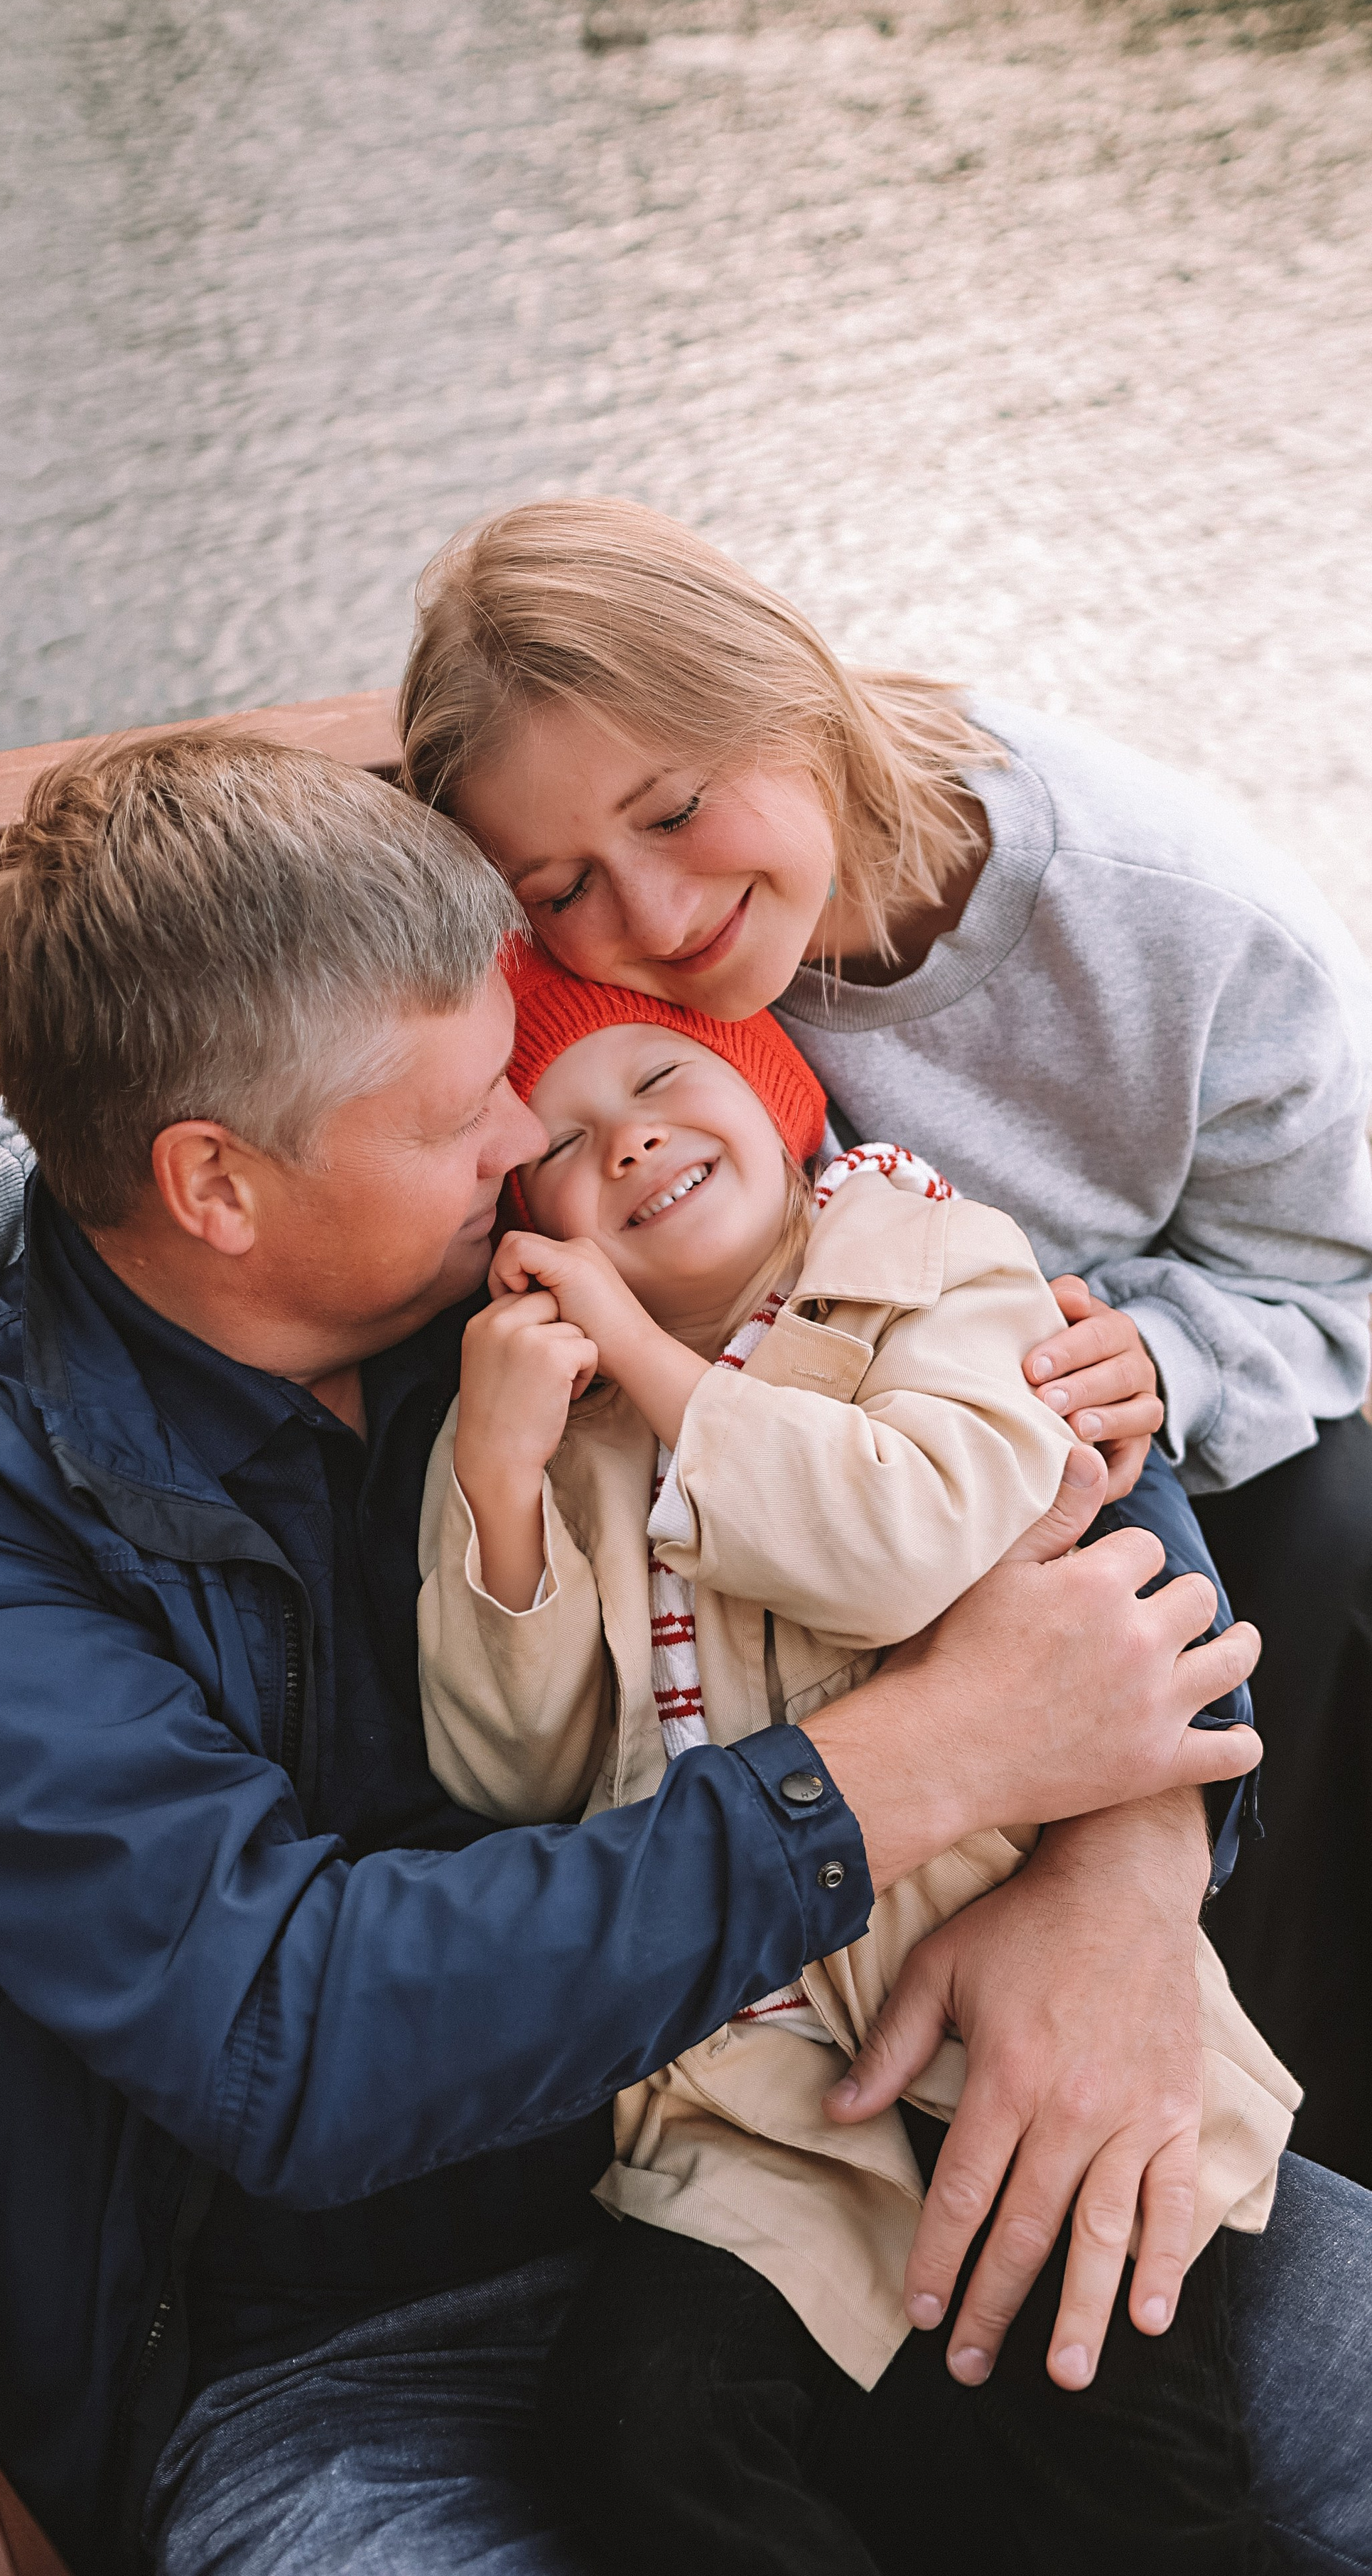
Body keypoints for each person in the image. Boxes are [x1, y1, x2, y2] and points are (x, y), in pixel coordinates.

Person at [0, 731, 1372, 2576]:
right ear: (214, 1188)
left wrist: (1120, 1877)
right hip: (339, 2345)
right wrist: (922, 1769)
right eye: (457, 1115)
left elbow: (1011, 1419)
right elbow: (290, 2030)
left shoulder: (544, 1227)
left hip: (879, 2103)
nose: (531, 1132)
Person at [395, 498, 1372, 2181]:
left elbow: (1338, 1280)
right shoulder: (588, 981)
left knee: (1338, 1530)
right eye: (562, 887)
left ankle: (1255, 2082)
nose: (653, 914)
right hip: (823, 1510)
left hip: (1103, 1442)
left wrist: (1180, 1357)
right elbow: (245, 1016)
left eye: (678, 811)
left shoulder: (1176, 919)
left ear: (787, 688)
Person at [417, 945, 1295, 2571]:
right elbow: (513, 1774)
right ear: (519, 1219)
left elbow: (897, 1539)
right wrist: (497, 1486)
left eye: (659, 1076)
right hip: (755, 2095)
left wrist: (650, 1360)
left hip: (1020, 2029)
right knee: (640, 2431)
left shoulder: (937, 1269)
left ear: (764, 1084)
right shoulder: (555, 1412)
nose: (621, 1138)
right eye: (558, 1135)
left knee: (1121, 2482)